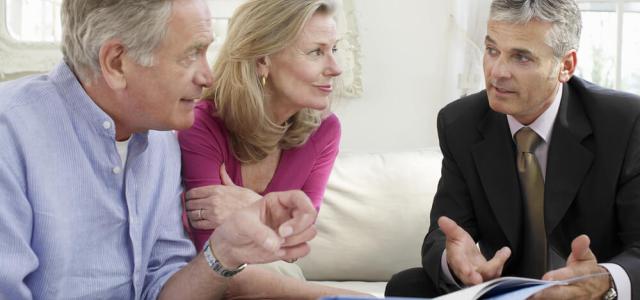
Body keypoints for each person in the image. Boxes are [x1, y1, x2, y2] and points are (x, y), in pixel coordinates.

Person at [0, 0, 323, 299]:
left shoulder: (162, 142)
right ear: (116, 63)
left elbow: (162, 290)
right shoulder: (10, 135)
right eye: (191, 54)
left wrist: (225, 250)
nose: (207, 76)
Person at [386, 0, 640, 299]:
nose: (497, 72)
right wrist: (457, 261)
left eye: (521, 57)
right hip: (508, 291)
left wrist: (604, 280)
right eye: (492, 50)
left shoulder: (625, 122)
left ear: (565, 66)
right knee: (407, 285)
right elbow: (446, 233)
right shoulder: (461, 123)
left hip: (588, 294)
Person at [177, 0, 353, 297]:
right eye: (316, 52)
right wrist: (360, 299)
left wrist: (250, 207)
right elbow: (215, 263)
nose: (335, 68)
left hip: (275, 278)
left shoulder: (325, 130)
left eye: (334, 49)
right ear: (262, 59)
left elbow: (297, 243)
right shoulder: (200, 124)